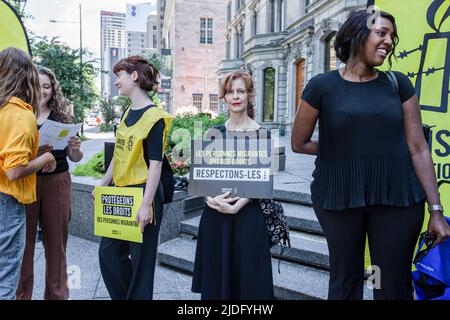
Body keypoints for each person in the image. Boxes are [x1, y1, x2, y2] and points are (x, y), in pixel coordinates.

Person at [291, 10, 450, 300]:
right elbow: (299, 143)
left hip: (397, 197)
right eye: (382, 33)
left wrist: (436, 210)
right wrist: (344, 152)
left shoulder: (397, 84)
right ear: (357, 35)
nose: (389, 41)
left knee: (387, 281)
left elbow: (418, 148)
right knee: (345, 278)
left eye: (392, 35)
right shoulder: (322, 86)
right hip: (339, 195)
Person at [191, 71, 274, 300]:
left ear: (249, 95)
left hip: (247, 217)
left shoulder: (261, 134)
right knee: (216, 284)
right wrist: (208, 198)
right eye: (230, 92)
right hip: (215, 217)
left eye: (241, 91)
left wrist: (239, 205)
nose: (235, 96)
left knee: (247, 285)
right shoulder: (213, 133)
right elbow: (203, 177)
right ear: (224, 97)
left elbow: (261, 180)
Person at [96, 56, 173, 300]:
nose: (116, 81)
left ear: (135, 76)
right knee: (108, 254)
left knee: (142, 263)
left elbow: (156, 165)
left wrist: (145, 205)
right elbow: (119, 154)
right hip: (120, 193)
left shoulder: (155, 117)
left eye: (119, 75)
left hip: (143, 192)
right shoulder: (128, 111)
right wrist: (103, 184)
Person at [16, 66, 83, 300]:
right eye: (38, 85)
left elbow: (75, 158)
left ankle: (56, 295)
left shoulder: (62, 117)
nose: (43, 91)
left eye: (47, 86)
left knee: (56, 245)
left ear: (53, 89)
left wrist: (75, 149)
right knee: (23, 245)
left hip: (57, 183)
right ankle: (21, 295)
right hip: (26, 181)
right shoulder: (19, 114)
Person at [0, 47, 56, 300]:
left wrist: (34, 149)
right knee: (6, 276)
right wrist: (46, 157)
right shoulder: (21, 114)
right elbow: (13, 171)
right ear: (27, 77)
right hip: (7, 202)